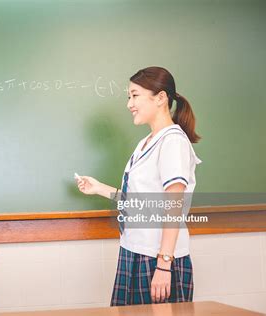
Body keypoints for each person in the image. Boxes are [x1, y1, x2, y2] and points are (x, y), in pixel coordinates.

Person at [76, 66, 202, 305]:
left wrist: (164, 266)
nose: (129, 104)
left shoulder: (173, 141)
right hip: (134, 250)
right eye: (129, 96)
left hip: (157, 258)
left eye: (135, 95)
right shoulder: (146, 142)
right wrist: (99, 187)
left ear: (161, 98)